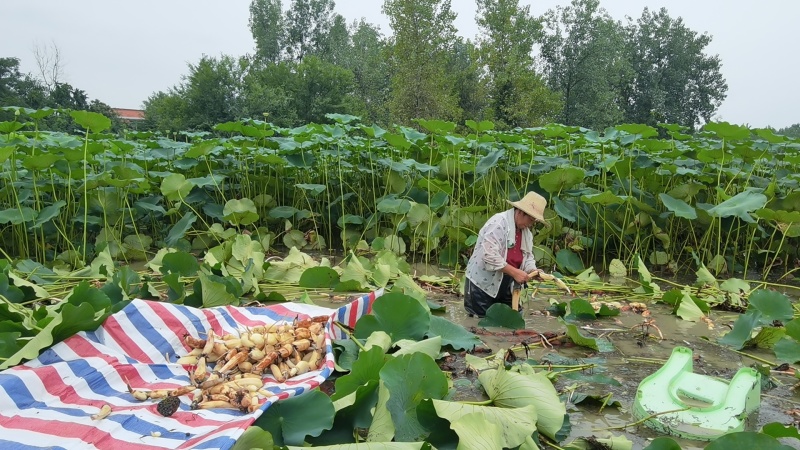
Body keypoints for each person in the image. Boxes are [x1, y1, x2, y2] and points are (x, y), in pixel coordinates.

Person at [464, 191, 547, 317]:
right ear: (520, 212)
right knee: (479, 323)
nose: (531, 224)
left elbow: (527, 256)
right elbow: (489, 256)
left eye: (533, 221)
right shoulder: (499, 223)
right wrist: (515, 272)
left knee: (512, 320)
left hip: (507, 282)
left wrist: (533, 271)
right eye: (530, 219)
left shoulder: (526, 233)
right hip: (482, 284)